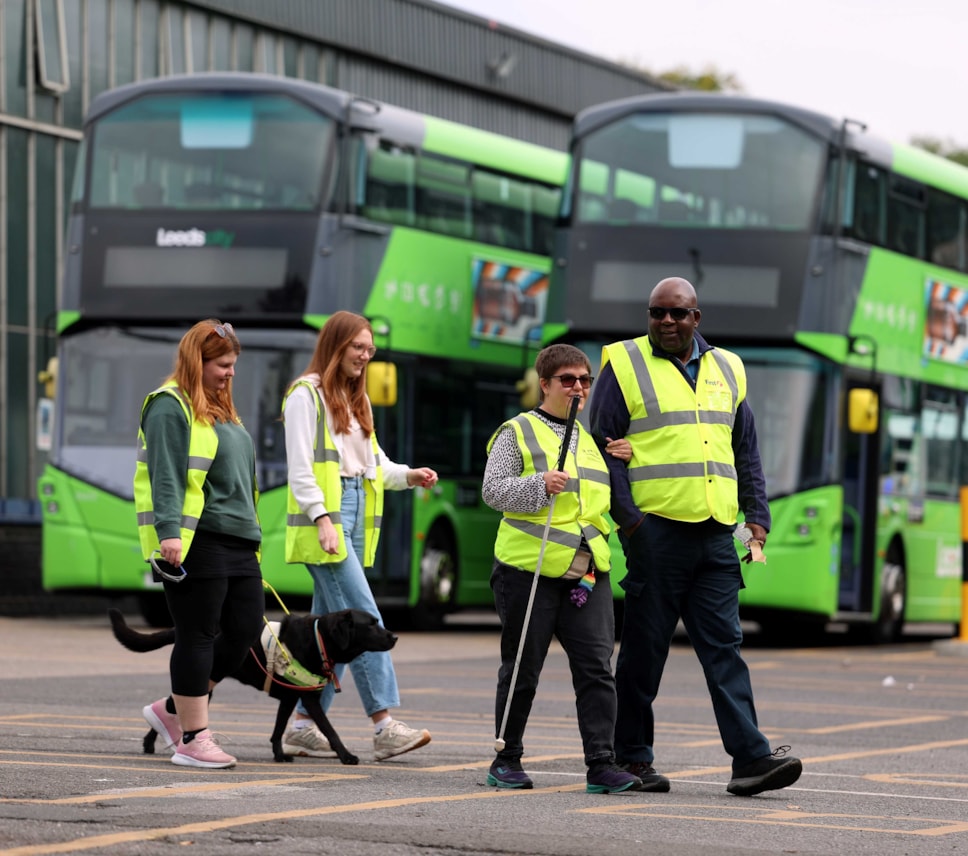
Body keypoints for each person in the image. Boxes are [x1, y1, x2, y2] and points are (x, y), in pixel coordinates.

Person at [587, 277, 803, 797]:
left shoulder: (728, 368)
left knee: (725, 649)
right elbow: (600, 447)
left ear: (696, 319)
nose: (666, 322)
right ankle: (631, 758)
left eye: (677, 314)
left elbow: (744, 447)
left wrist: (757, 514)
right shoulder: (625, 365)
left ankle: (750, 759)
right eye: (657, 312)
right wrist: (630, 521)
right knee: (644, 654)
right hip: (656, 534)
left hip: (715, 536)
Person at [482, 343, 643, 794]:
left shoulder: (592, 444)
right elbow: (493, 491)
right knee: (522, 668)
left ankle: (602, 765)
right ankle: (505, 758)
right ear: (546, 384)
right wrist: (538, 484)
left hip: (587, 572)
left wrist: (627, 461)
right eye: (568, 380)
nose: (578, 388)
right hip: (527, 571)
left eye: (585, 380)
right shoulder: (518, 431)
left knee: (596, 668)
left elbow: (603, 502)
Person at [280, 310, 437, 761]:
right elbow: (300, 470)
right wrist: (323, 519)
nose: (365, 357)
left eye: (370, 350)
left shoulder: (355, 400)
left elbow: (373, 467)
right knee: (364, 618)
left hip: (348, 514)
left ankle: (303, 725)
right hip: (325, 523)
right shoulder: (304, 397)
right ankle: (384, 725)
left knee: (331, 635)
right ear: (335, 345)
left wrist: (409, 475)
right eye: (358, 348)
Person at [134, 319, 264, 769]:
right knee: (198, 635)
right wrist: (169, 531)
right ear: (198, 361)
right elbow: (165, 474)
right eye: (222, 365)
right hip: (196, 538)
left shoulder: (221, 409)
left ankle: (172, 710)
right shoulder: (171, 406)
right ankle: (193, 736)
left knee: (245, 628)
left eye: (233, 365)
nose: (230, 373)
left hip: (239, 540)